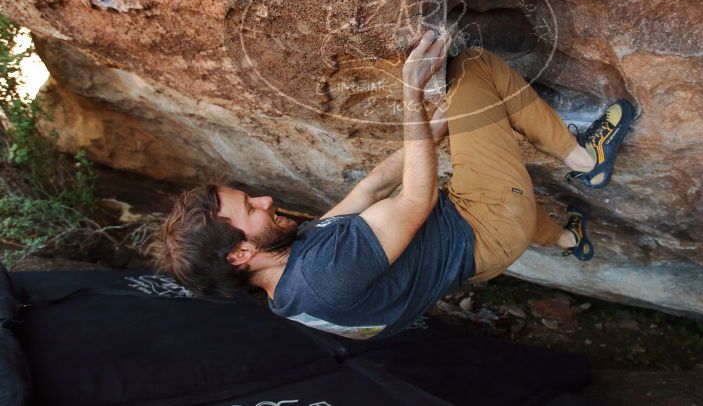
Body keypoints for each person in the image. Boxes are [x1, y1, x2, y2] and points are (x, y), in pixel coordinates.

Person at [152, 30, 634, 339]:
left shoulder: (289, 290)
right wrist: (413, 97)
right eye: (249, 209)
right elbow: (416, 199)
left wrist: (437, 129)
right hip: (483, 222)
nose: (265, 199)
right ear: (239, 255)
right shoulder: (325, 274)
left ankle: (571, 239)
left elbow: (366, 192)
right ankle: (586, 158)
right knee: (474, 68)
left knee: (502, 203)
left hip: (473, 257)